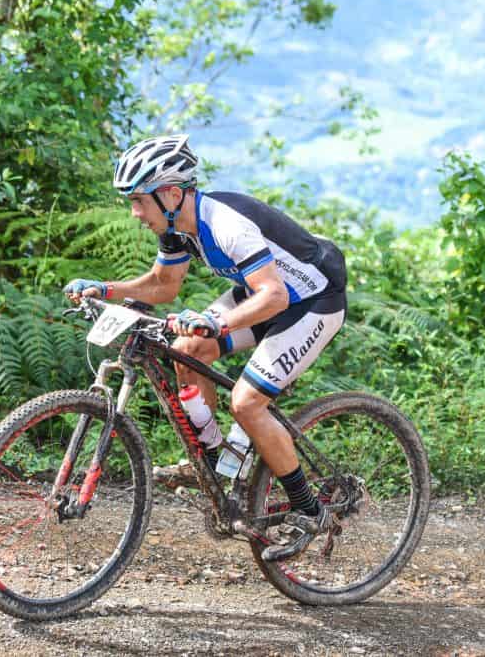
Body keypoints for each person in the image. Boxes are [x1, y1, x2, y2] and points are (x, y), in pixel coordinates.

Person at [64, 134, 347, 554]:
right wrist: (105, 290)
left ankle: (308, 509)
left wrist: (215, 321)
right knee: (187, 349)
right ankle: (221, 462)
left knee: (248, 402)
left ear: (172, 193)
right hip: (264, 293)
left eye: (139, 200)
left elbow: (275, 296)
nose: (135, 212)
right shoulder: (177, 225)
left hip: (311, 300)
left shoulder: (227, 225)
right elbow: (163, 285)